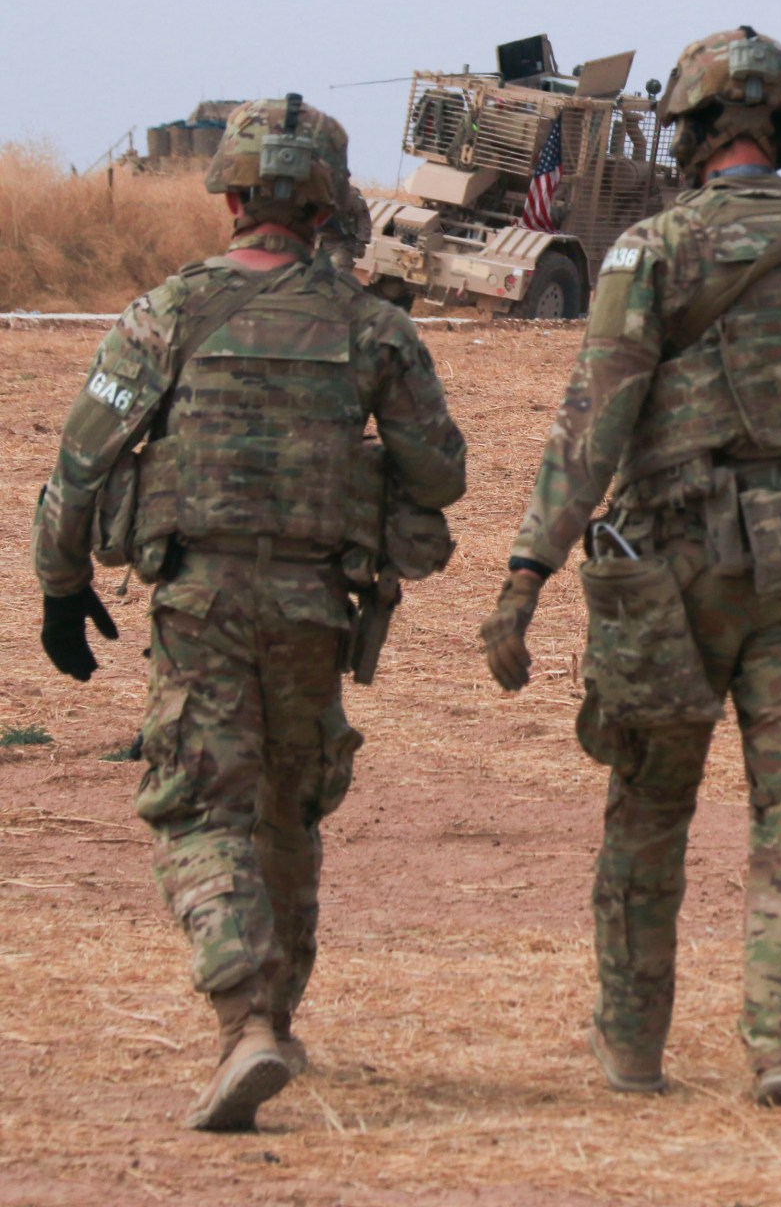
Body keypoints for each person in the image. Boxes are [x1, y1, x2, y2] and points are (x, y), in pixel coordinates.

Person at [481, 27, 781, 1109]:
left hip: (673, 570)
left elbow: (594, 428)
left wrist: (526, 575)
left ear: (692, 132)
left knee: (650, 806)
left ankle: (632, 1051)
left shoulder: (652, 253)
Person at [34, 96, 467, 1131]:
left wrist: (61, 585)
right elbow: (440, 474)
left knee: (197, 808)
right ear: (327, 207)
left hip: (200, 603)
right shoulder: (374, 327)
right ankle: (277, 1017)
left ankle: (243, 1022)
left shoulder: (165, 314)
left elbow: (81, 463)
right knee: (287, 807)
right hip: (316, 608)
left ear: (231, 198)